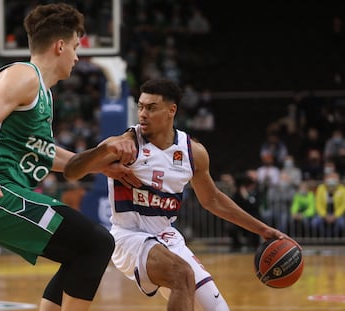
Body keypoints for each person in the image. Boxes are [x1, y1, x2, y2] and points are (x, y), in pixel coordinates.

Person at [0, 3, 139, 311]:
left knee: (80, 251)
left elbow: (58, 160)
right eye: (76, 47)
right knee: (98, 243)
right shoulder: (23, 76)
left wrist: (101, 163)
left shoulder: (43, 94)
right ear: (60, 45)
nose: (78, 57)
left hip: (3, 193)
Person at [64, 78, 291, 311]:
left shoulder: (193, 152)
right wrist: (106, 149)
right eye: (141, 107)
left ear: (171, 111)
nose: (143, 114)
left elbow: (212, 199)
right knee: (181, 274)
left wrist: (262, 229)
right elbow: (72, 171)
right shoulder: (127, 144)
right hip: (129, 237)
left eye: (151, 108)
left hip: (167, 237)